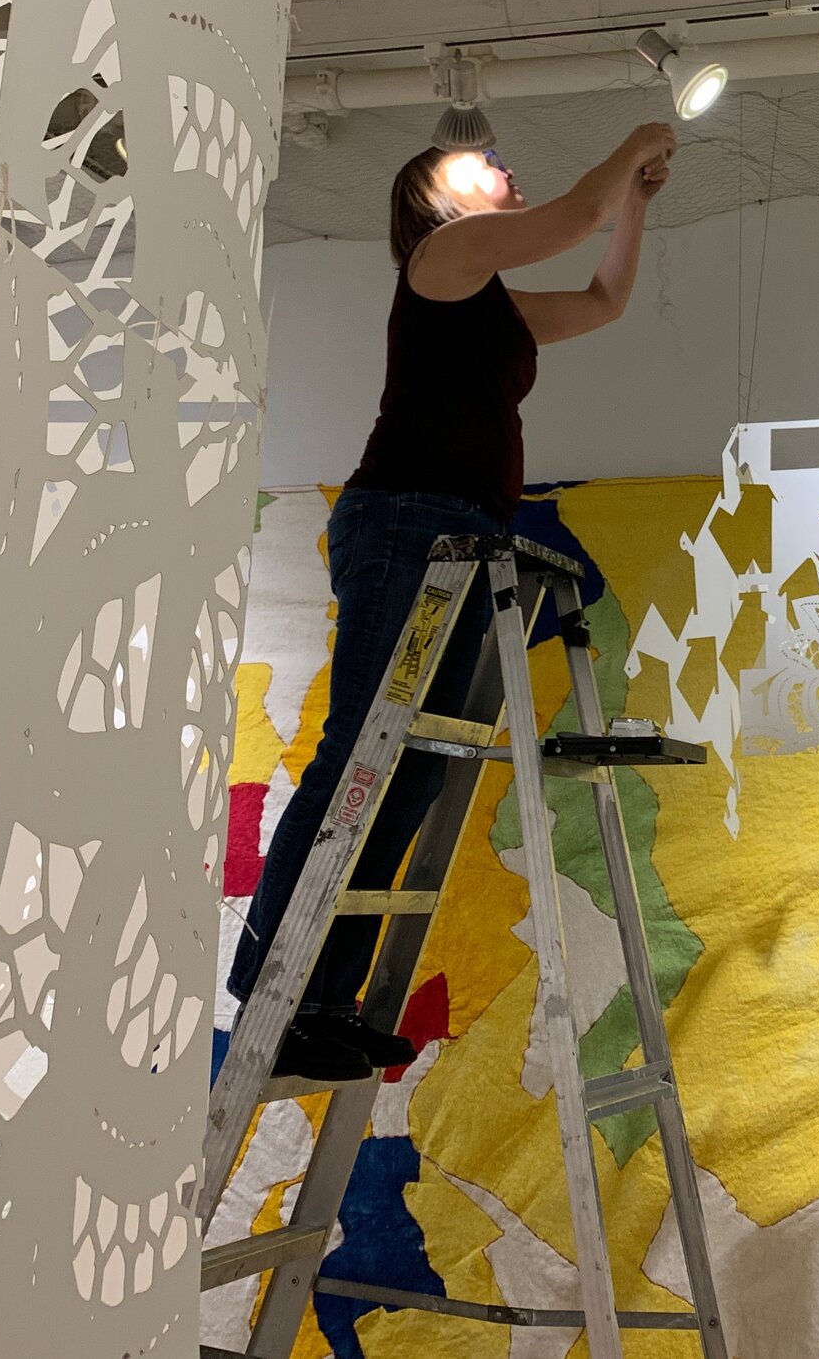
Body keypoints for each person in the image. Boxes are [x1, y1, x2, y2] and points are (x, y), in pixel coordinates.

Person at [228, 119, 677, 1081]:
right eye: (480, 163)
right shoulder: (445, 253)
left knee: (412, 773)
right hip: (408, 524)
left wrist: (632, 207)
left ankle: (319, 998)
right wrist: (630, 141)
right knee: (361, 753)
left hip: (460, 538)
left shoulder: (492, 302)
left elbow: (603, 298)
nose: (503, 164)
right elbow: (572, 216)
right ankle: (272, 983)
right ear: (434, 201)